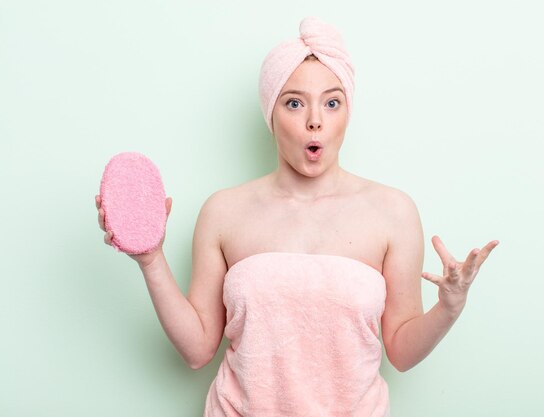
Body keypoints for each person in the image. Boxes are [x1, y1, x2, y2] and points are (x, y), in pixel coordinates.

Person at [95, 17, 498, 417]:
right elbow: (198, 350)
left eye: (332, 102)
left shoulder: (393, 212)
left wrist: (449, 306)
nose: (315, 120)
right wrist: (151, 259)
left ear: (347, 113)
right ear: (271, 114)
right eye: (293, 102)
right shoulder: (223, 212)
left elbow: (402, 351)